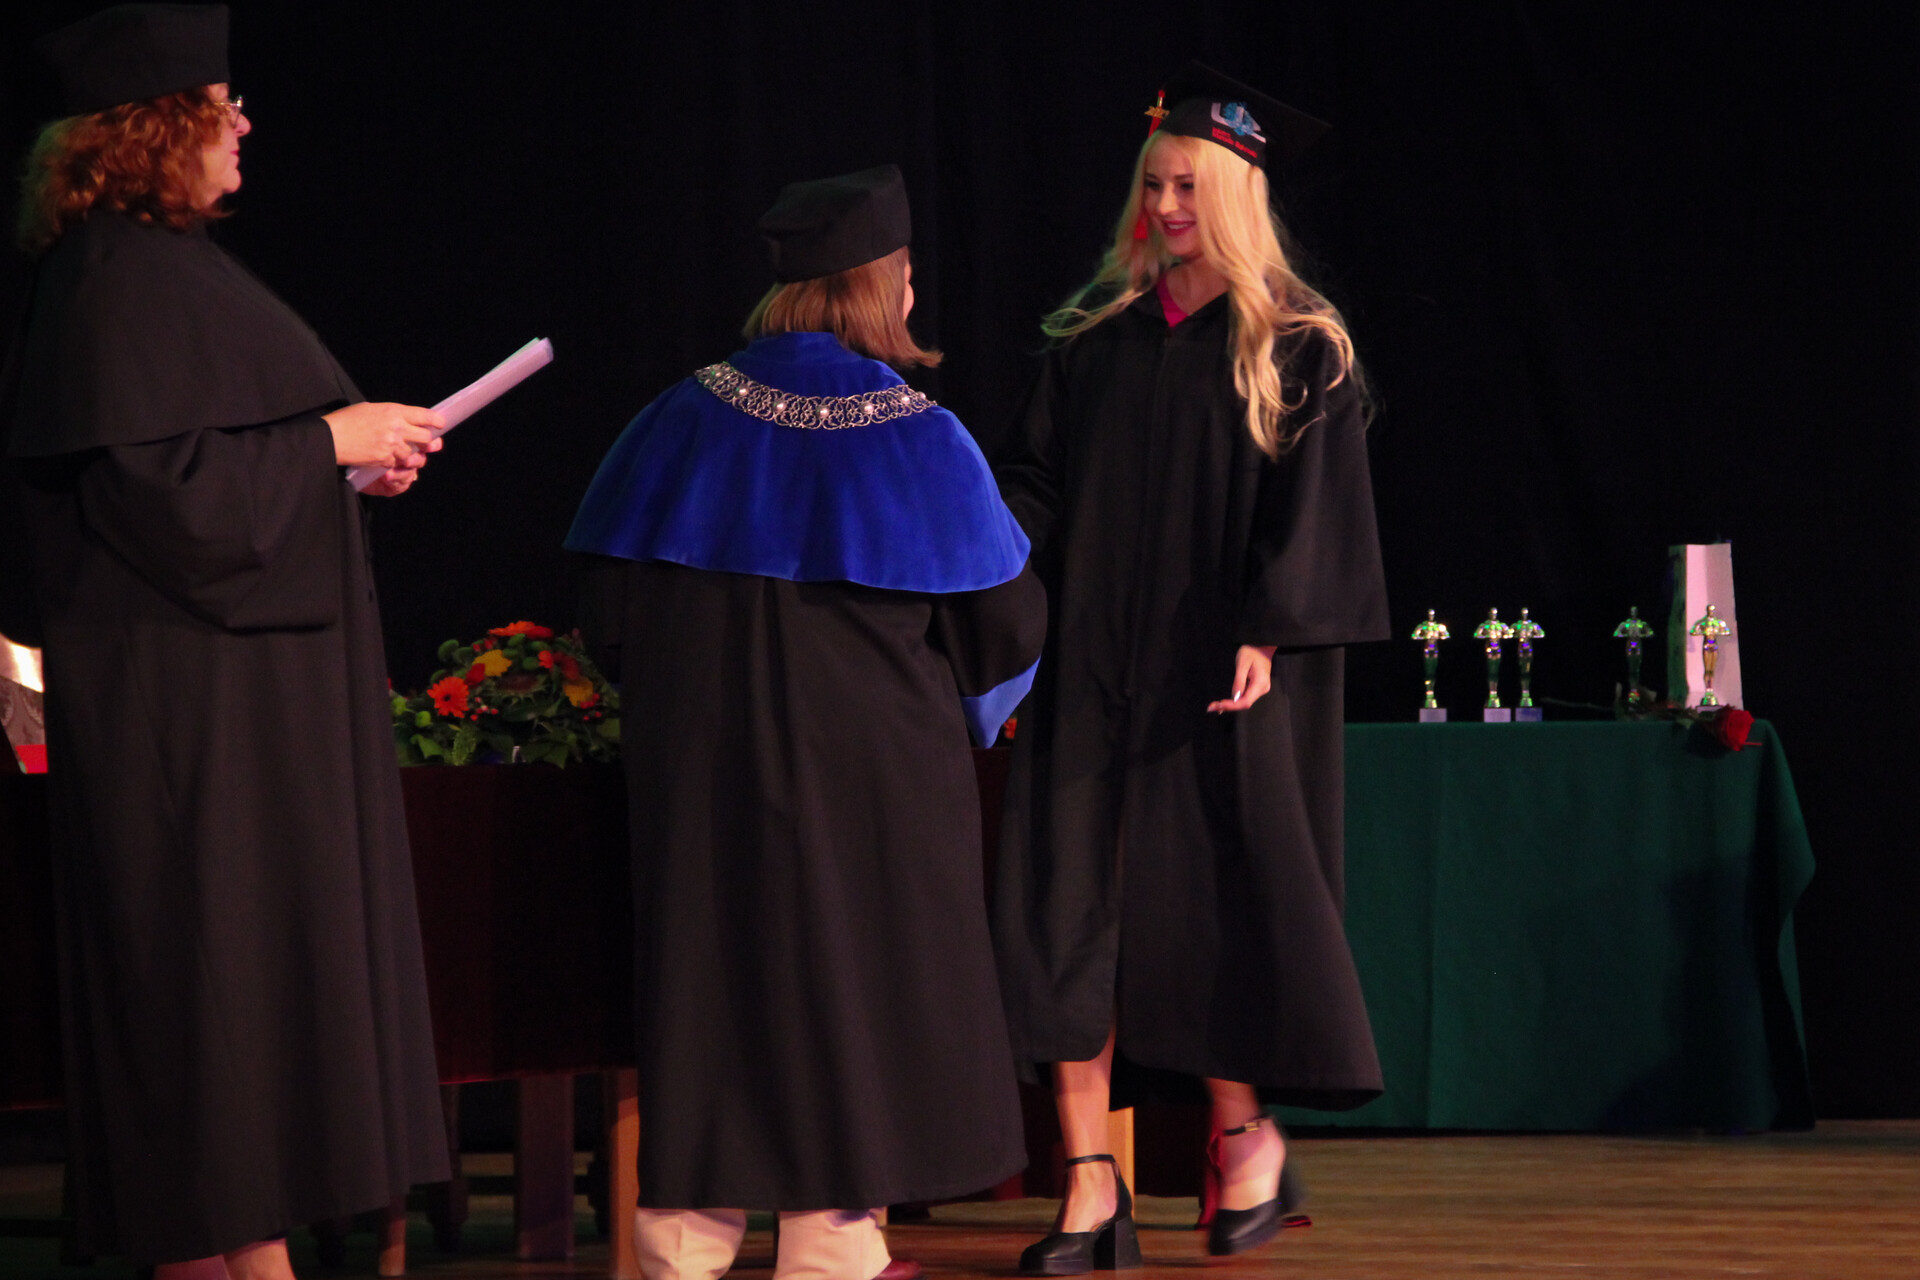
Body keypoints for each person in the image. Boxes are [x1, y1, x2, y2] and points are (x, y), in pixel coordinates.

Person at [4, 7, 451, 1277]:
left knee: (253, 983)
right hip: (185, 716)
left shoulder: (164, 269)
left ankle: (239, 1252)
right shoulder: (115, 280)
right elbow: (162, 496)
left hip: (240, 698)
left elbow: (212, 466)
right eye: (220, 103)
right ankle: (224, 1253)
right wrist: (325, 444)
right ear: (157, 129)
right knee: (208, 985)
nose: (244, 122)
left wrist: (341, 468)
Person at [566, 164, 1045, 1280]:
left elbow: (608, 616)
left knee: (711, 981)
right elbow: (1003, 627)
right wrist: (965, 715)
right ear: (885, 284)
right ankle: (829, 1239)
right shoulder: (919, 436)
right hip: (876, 785)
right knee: (853, 990)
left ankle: (684, 1236)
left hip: (702, 777)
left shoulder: (677, 418)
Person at [992, 63, 1390, 1270]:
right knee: (1065, 917)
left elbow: (1314, 515)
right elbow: (1033, 493)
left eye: (1187, 187)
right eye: (1153, 184)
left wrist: (1268, 629)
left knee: (1205, 913)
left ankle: (1246, 1136)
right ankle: (1089, 1187)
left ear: (1234, 195)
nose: (1165, 206)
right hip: (1089, 673)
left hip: (1218, 683)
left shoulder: (1296, 346)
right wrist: (987, 610)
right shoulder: (1094, 340)